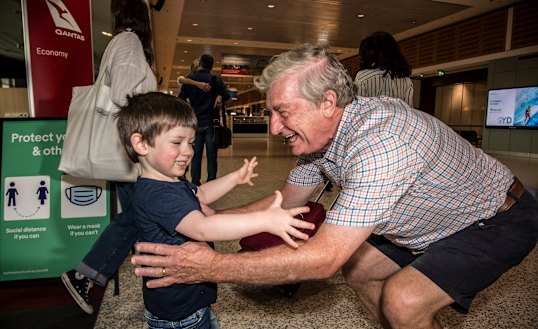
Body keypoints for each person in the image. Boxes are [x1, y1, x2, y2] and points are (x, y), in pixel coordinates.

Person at [131, 43, 538, 329]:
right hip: (418, 221)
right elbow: (285, 200)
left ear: (328, 102)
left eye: (282, 111)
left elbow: (322, 258)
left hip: (492, 218)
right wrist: (207, 218)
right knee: (359, 271)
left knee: (404, 300)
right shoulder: (320, 141)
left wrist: (211, 266)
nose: (274, 127)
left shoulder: (382, 142)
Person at [115, 92, 313, 329]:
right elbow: (203, 227)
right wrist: (264, 221)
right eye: (177, 142)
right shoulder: (157, 194)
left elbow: (201, 195)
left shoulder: (169, 182)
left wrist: (234, 178)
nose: (188, 151)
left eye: (190, 142)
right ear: (141, 144)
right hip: (180, 317)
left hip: (190, 304)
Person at [61, 0, 157, 315]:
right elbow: (123, 95)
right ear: (142, 18)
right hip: (126, 147)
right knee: (140, 214)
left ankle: (88, 273)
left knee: (136, 215)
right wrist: (156, 110)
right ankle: (86, 272)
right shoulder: (130, 41)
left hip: (121, 146)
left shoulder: (121, 40)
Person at [179, 54, 229, 186]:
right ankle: (211, 182)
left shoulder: (189, 79)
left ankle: (195, 182)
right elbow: (227, 95)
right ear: (212, 66)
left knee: (196, 156)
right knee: (212, 155)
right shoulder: (214, 79)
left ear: (199, 63)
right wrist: (219, 95)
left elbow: (181, 100)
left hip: (195, 123)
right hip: (211, 123)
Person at [354, 31, 414, 107]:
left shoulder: (363, 77)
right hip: (399, 118)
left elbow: (359, 109)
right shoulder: (406, 80)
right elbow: (409, 111)